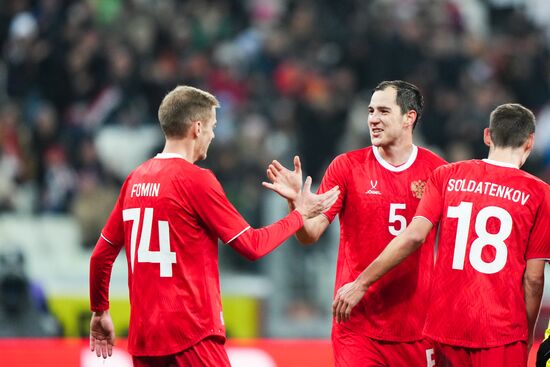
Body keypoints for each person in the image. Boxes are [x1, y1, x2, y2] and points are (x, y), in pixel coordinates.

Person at [88, 85, 340, 366]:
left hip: (145, 341)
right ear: (197, 127)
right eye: (212, 126)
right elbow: (253, 246)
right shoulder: (196, 180)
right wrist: (299, 215)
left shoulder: (134, 180)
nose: (213, 135)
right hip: (192, 335)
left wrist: (100, 311)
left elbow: (101, 255)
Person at [333, 103, 550, 367]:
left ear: (487, 136)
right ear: (530, 141)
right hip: (501, 332)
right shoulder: (539, 194)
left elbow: (413, 235)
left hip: (446, 329)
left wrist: (361, 283)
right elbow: (534, 278)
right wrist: (525, 336)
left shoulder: (447, 176)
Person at [264, 80, 447, 366]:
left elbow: (431, 241)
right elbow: (310, 234)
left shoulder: (436, 171)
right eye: (371, 111)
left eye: (384, 111)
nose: (373, 119)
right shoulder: (346, 167)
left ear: (409, 117)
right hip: (357, 326)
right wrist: (295, 206)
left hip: (416, 329)